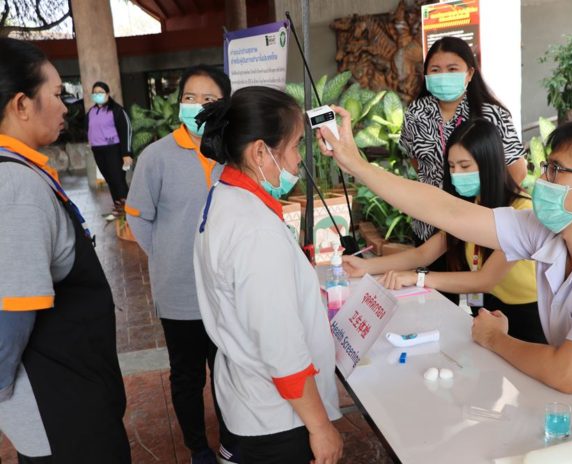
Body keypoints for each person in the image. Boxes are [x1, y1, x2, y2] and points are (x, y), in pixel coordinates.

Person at [318, 107, 572, 412]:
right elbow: (447, 212)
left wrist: (494, 338)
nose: (544, 180)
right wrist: (358, 167)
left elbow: (567, 372)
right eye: (546, 167)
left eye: (557, 170)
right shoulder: (547, 230)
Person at [192, 86, 343, 463]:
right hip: (278, 419)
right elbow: (282, 350)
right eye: (293, 147)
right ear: (260, 152)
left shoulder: (222, 193)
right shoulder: (254, 230)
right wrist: (321, 427)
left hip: (249, 400)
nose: (297, 162)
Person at [0, 38, 130, 463]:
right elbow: (12, 315)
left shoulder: (23, 172)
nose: (66, 106)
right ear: (22, 104)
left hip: (75, 396)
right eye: (56, 95)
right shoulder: (16, 187)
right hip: (62, 414)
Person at [343, 119, 544, 343]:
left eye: (465, 166)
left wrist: (417, 278)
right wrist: (365, 266)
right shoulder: (473, 204)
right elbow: (423, 254)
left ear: (490, 164)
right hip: (490, 313)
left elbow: (484, 280)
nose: (456, 173)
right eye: (451, 166)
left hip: (529, 319)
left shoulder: (521, 210)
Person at [125, 65, 238, 464]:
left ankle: (231, 441)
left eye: (208, 99)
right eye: (190, 97)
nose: (197, 105)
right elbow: (137, 215)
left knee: (228, 371)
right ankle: (197, 447)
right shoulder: (156, 156)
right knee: (188, 376)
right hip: (179, 291)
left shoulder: (234, 152)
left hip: (228, 289)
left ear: (224, 105)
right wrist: (168, 253)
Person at [400, 36, 527, 246]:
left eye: (452, 69)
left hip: (479, 224)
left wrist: (486, 203)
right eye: (435, 70)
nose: (443, 76)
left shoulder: (492, 114)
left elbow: (517, 170)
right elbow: (416, 160)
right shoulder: (416, 112)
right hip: (430, 223)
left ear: (469, 73)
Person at [86, 80, 133, 220]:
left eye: (100, 92)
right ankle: (119, 210)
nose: (97, 95)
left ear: (107, 93)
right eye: (95, 93)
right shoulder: (91, 112)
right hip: (98, 151)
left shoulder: (117, 110)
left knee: (118, 181)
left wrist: (127, 153)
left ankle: (129, 213)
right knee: (111, 181)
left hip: (114, 150)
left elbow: (127, 131)